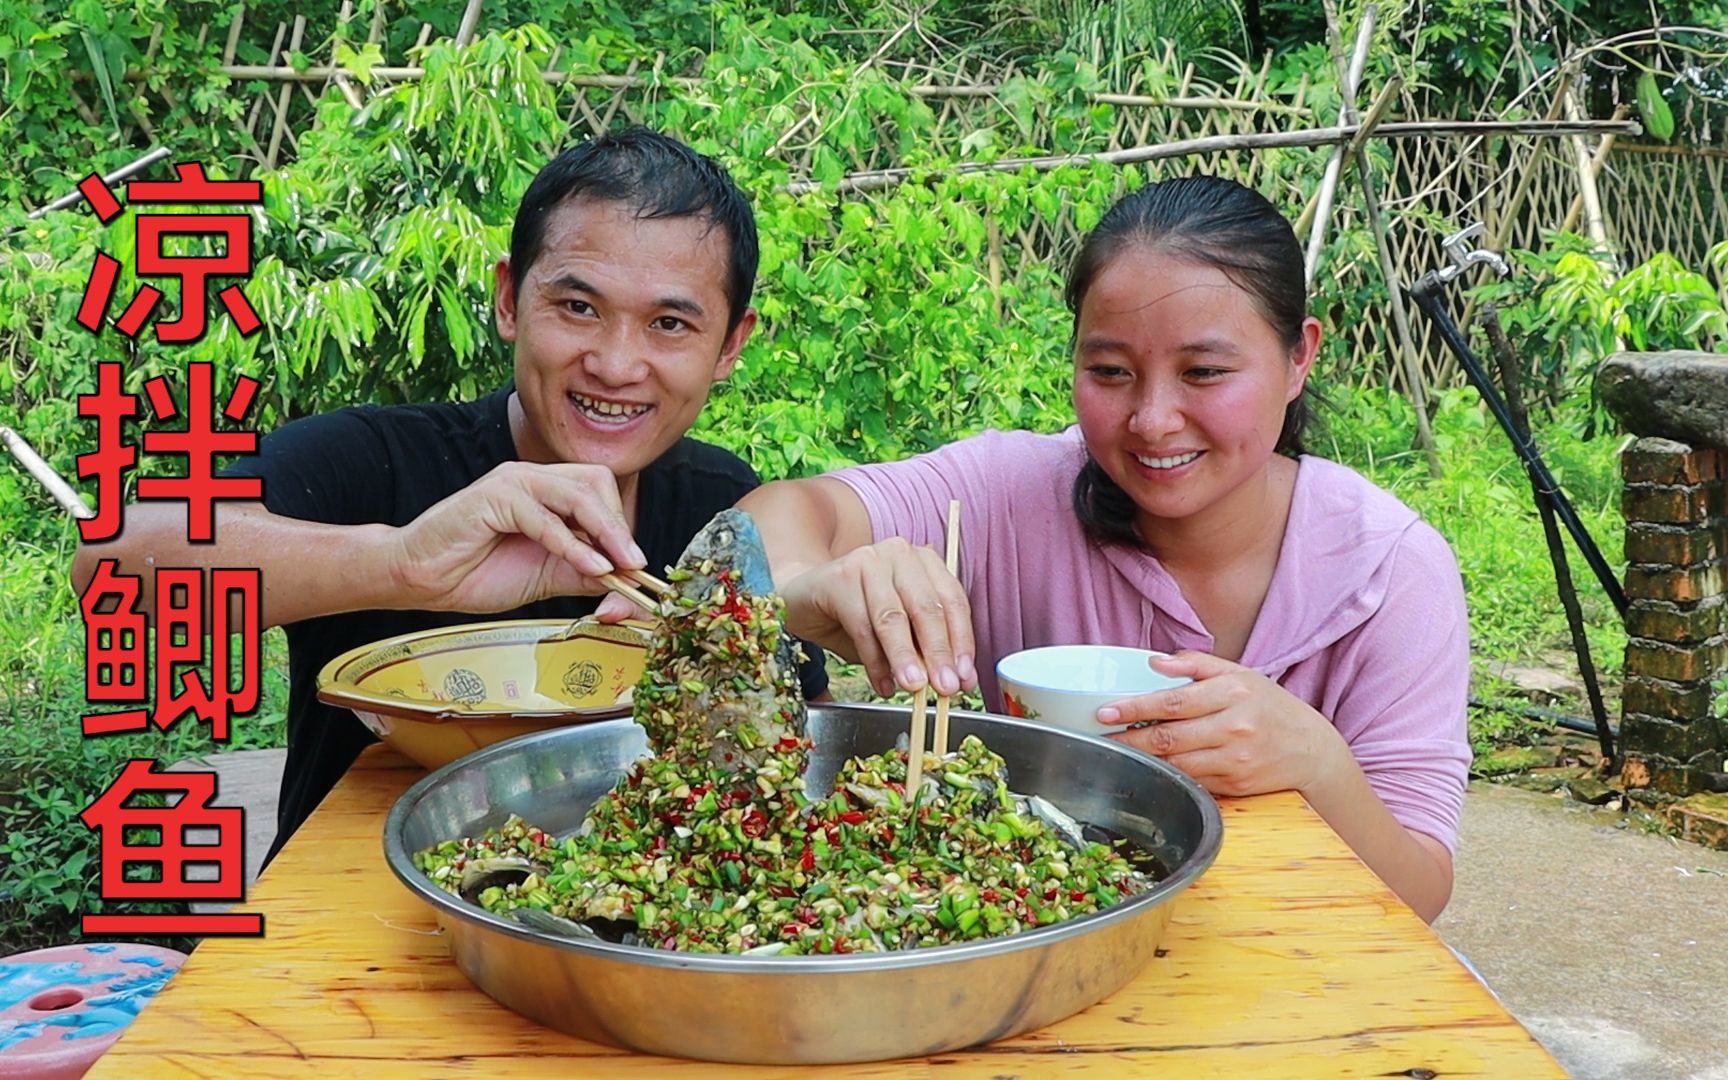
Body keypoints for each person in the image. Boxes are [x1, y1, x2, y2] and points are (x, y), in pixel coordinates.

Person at [72, 126, 827, 861]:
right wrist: (400, 562)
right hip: (349, 927)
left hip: (635, 940)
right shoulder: (375, 460)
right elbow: (110, 569)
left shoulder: (731, 514)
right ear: (509, 300)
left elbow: (796, 750)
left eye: (668, 324)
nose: (616, 363)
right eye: (578, 307)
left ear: (730, 345)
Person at [739, 175, 1470, 922]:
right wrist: (806, 579)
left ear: (1298, 358)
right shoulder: (1009, 497)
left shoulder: (1390, 572)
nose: (1152, 420)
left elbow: (1417, 891)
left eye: (1205, 372)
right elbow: (784, 509)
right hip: (1029, 951)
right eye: (1110, 372)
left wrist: (1317, 762)